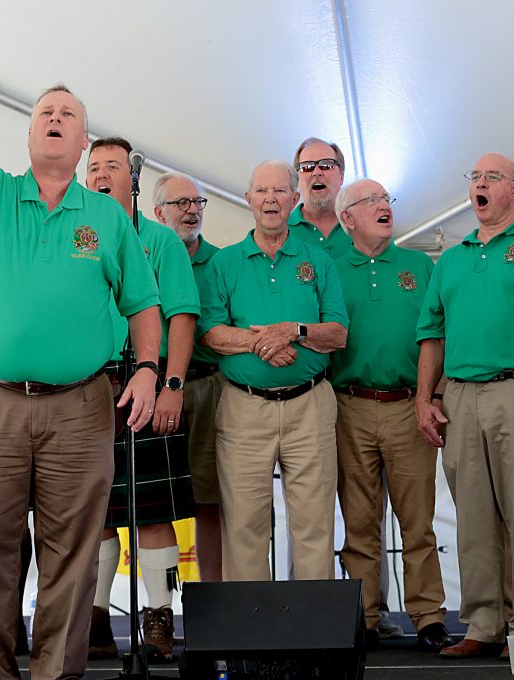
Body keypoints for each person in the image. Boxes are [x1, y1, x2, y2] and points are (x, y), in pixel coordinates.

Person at [0, 9, 161, 679]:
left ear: (83, 141)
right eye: (44, 111)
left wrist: (145, 370)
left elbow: (144, 304)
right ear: (29, 133)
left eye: (68, 113)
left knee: (71, 561)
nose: (55, 117)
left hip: (81, 410)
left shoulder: (107, 218)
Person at [416, 153, 514, 660]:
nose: (480, 184)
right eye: (475, 177)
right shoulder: (453, 257)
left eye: (492, 178)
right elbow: (431, 333)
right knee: (473, 516)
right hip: (459, 394)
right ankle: (482, 623)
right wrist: (425, 396)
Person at [198, 159, 348, 582]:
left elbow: (337, 334)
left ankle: (312, 637)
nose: (270, 200)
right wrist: (263, 343)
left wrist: (293, 331)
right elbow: (209, 332)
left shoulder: (317, 261)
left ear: (295, 200)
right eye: (262, 191)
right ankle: (252, 635)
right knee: (244, 524)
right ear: (248, 200)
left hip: (311, 406)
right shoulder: (224, 264)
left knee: (314, 524)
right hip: (245, 407)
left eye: (280, 191)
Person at [85, 138, 198, 663]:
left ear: (132, 180)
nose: (102, 174)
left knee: (152, 512)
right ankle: (96, 618)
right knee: (97, 511)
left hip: (147, 378)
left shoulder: (161, 242)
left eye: (112, 166)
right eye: (95, 167)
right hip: (83, 381)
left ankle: (157, 620)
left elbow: (180, 315)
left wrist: (172, 383)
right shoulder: (75, 236)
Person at [330, 178, 451, 651]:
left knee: (417, 521)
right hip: (349, 407)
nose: (384, 206)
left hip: (409, 407)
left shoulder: (420, 266)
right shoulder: (330, 268)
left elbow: (439, 333)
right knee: (359, 523)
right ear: (348, 219)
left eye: (386, 199)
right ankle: (365, 618)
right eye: (371, 201)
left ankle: (429, 616)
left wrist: (434, 394)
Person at [153, 172, 224, 583]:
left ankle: (211, 604)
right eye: (182, 203)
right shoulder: (140, 255)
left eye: (198, 203)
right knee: (157, 504)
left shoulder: (221, 262)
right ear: (158, 211)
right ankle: (160, 604)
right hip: (154, 386)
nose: (192, 211)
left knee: (210, 500)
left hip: (208, 386)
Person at [288, 137, 352, 259]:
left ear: (341, 176)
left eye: (326, 165)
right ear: (297, 180)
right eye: (307, 167)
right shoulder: (280, 232)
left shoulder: (365, 226)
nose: (316, 172)